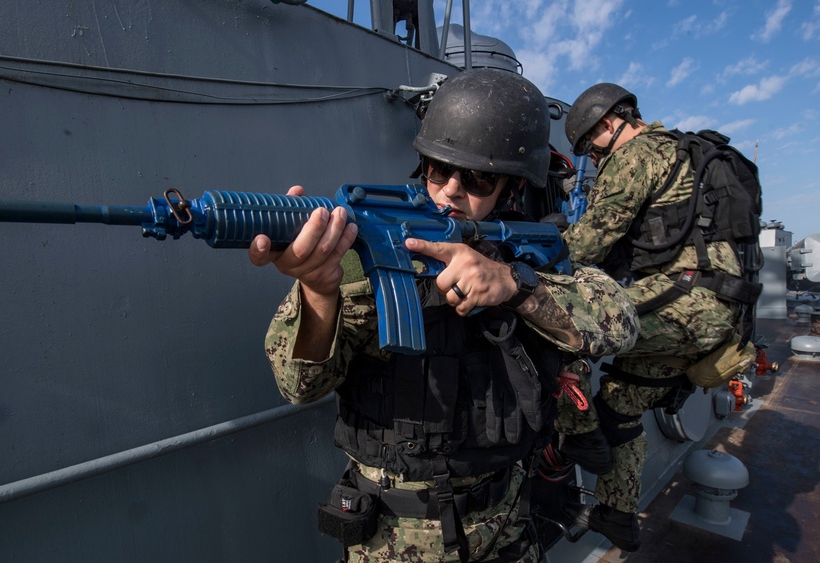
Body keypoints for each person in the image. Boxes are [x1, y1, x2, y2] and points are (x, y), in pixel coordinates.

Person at [247, 69, 639, 563]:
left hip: (505, 524)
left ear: (511, 189)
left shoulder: (520, 251)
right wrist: (318, 292)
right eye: (437, 169)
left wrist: (513, 286)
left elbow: (620, 322)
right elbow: (298, 386)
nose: (451, 190)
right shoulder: (356, 255)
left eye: (477, 178)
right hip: (391, 539)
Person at [560, 83, 748, 552]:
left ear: (609, 124)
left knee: (559, 331)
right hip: (716, 309)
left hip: (686, 302)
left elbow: (590, 241)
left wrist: (530, 257)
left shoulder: (635, 155)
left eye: (590, 146)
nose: (594, 159)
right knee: (621, 404)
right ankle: (618, 515)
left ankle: (577, 440)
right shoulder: (685, 152)